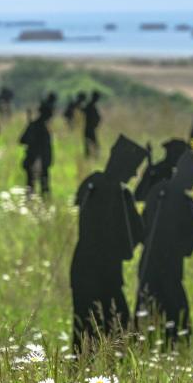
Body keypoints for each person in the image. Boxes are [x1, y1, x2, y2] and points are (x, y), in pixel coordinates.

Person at [70, 135, 146, 353]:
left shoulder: (93, 182)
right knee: (117, 329)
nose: (133, 175)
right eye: (132, 169)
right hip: (105, 273)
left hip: (83, 269)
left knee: (85, 329)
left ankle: (85, 371)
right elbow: (133, 238)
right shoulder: (120, 193)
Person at [135, 151, 193, 348]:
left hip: (152, 262)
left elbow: (142, 225)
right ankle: (172, 346)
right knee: (174, 308)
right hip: (168, 265)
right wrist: (181, 249)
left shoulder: (158, 191)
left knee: (149, 306)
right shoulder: (181, 200)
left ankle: (150, 346)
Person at [19, 102, 53, 196]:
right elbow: (22, 140)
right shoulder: (37, 127)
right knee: (37, 187)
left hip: (37, 160)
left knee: (37, 187)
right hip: (35, 159)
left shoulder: (35, 126)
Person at [82, 90, 102, 158]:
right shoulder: (90, 106)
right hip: (89, 128)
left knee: (90, 144)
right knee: (93, 145)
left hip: (90, 128)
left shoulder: (90, 106)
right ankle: (93, 157)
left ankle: (90, 157)